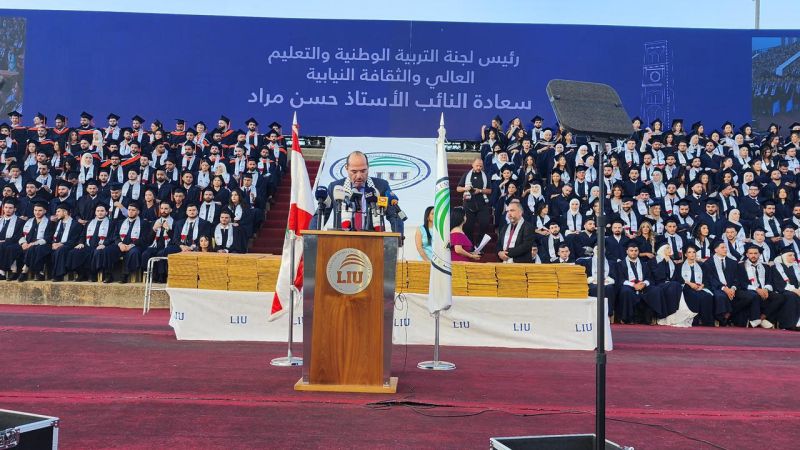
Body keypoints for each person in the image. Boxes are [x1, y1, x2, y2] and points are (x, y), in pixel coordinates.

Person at [317, 151, 398, 232]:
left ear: (368, 167)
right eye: (354, 172)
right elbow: (320, 215)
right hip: (342, 241)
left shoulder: (381, 186)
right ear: (346, 168)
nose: (359, 176)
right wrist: (311, 237)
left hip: (373, 241)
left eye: (363, 171)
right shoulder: (335, 188)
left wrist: (398, 238)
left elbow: (394, 216)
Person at [614, 241, 666, 324]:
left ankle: (650, 317)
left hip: (642, 286)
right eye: (631, 250)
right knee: (625, 291)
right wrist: (633, 285)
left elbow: (649, 278)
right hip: (628, 286)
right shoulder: (620, 264)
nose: (634, 253)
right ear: (627, 251)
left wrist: (644, 283)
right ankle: (628, 318)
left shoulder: (644, 264)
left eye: (636, 250)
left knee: (655, 290)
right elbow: (620, 279)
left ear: (638, 252)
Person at [104, 201, 152, 283]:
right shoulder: (120, 222)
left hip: (135, 246)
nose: (130, 211)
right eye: (129, 209)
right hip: (121, 245)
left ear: (138, 212)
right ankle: (109, 275)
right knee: (108, 250)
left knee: (134, 252)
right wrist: (120, 244)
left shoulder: (144, 223)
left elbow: (144, 238)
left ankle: (124, 275)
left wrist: (131, 245)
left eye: (133, 210)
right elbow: (115, 236)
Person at [741, 244, 785, 329]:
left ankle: (761, 318)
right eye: (751, 253)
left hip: (764, 289)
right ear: (747, 255)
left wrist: (765, 289)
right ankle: (756, 319)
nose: (753, 255)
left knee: (780, 297)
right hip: (749, 289)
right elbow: (742, 283)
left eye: (755, 253)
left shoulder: (765, 266)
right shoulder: (741, 266)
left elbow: (769, 281)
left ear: (759, 254)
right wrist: (757, 289)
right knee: (755, 295)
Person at [456, 158, 493, 246]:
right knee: (468, 227)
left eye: (480, 166)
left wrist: (479, 191)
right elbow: (458, 188)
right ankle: (470, 245)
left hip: (482, 204)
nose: (479, 167)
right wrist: (465, 188)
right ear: (472, 165)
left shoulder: (485, 175)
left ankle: (479, 245)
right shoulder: (466, 174)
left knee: (485, 223)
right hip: (468, 204)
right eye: (477, 165)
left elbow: (489, 191)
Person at [679, 244, 716, 326]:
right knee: (694, 295)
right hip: (686, 287)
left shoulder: (702, 265)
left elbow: (707, 278)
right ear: (685, 254)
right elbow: (678, 278)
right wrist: (689, 283)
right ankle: (694, 321)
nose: (692, 254)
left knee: (707, 296)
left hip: (699, 287)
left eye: (694, 252)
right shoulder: (680, 266)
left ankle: (707, 322)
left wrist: (703, 285)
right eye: (689, 252)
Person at [49, 202, 84, 282]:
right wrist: (54, 243)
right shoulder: (57, 223)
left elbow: (74, 240)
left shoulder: (75, 224)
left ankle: (59, 275)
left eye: (58, 211)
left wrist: (60, 244)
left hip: (70, 245)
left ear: (65, 212)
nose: (56, 213)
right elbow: (52, 236)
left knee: (61, 250)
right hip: (58, 245)